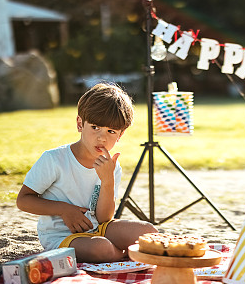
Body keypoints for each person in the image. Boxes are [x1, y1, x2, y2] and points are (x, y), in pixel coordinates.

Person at [16, 82, 157, 262]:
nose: (102, 137)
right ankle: (127, 256)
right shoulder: (54, 159)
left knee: (148, 232)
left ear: (120, 135)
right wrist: (64, 210)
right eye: (95, 127)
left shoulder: (111, 166)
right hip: (62, 237)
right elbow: (23, 200)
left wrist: (107, 181)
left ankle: (128, 256)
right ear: (80, 123)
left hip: (99, 228)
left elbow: (104, 218)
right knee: (101, 248)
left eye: (111, 131)